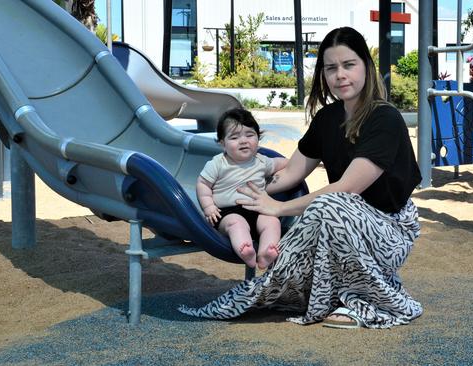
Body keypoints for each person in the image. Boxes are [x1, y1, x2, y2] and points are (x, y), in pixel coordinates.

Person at [180, 26, 423, 329]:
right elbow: (292, 172)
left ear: (366, 66)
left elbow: (348, 188)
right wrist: (244, 193)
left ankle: (360, 300)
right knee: (326, 210)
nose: (340, 75)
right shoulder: (327, 119)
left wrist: (278, 208)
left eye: (349, 65)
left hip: (389, 229)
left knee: (329, 205)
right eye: (331, 68)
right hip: (344, 225)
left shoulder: (384, 118)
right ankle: (316, 293)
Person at [196, 108, 287, 269]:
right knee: (236, 223)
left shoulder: (261, 161)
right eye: (235, 137)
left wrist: (292, 163)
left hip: (257, 209)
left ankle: (267, 251)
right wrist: (209, 207)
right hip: (227, 213)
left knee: (272, 221)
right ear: (223, 143)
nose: (243, 141)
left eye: (250, 135)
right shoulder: (218, 163)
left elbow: (280, 163)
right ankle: (245, 249)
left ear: (258, 139)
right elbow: (203, 184)